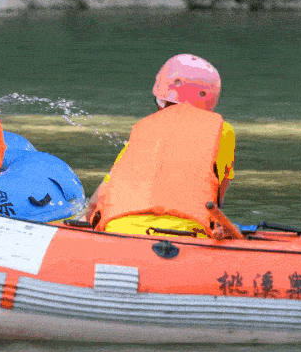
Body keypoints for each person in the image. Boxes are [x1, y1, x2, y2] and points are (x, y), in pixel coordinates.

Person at [85, 53, 240, 239]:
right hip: (188, 235)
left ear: (162, 98)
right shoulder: (224, 131)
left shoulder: (144, 127)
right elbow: (217, 201)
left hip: (118, 229)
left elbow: (97, 201)